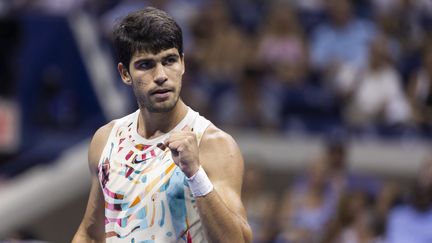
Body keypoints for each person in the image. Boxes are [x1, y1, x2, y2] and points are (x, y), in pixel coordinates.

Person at [72, 7, 252, 243]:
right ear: (125, 73)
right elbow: (91, 234)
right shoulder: (106, 139)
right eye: (146, 65)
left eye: (169, 60)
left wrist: (195, 174)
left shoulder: (214, 144)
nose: (161, 75)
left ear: (183, 64)